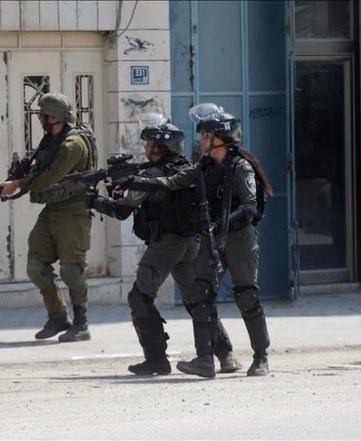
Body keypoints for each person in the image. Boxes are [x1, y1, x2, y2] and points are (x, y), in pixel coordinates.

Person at [116, 103, 274, 378]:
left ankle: (261, 357)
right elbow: (170, 182)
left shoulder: (241, 168)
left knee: (246, 296)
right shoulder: (204, 168)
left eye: (205, 136)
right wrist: (132, 181)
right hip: (211, 239)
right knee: (200, 295)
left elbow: (249, 208)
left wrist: (220, 224)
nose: (201, 141)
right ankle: (205, 360)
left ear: (220, 138)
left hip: (238, 239)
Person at [86, 112, 242, 376]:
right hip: (191, 243)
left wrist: (92, 201)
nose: (146, 148)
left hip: (167, 244)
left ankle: (156, 359)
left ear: (161, 147)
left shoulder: (152, 175)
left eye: (149, 144)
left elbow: (122, 210)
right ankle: (226, 355)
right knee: (197, 301)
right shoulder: (187, 168)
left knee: (139, 297)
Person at [0, 92, 95, 343]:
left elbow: (48, 179)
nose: (40, 119)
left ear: (53, 117)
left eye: (42, 115)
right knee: (36, 267)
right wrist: (21, 174)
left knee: (71, 270)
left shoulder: (72, 145)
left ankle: (82, 323)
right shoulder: (51, 140)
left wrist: (17, 184)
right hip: (53, 209)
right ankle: (58, 317)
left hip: (73, 211)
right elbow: (40, 170)